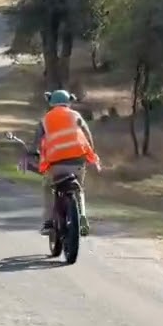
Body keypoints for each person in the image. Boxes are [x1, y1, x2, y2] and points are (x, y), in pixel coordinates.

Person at [31, 89, 100, 235]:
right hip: (78, 161)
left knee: (47, 187)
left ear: (51, 102)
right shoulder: (76, 116)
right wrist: (91, 153)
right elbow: (88, 135)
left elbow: (37, 142)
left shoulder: (45, 119)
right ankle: (82, 216)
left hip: (56, 164)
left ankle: (49, 222)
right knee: (79, 188)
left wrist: (34, 153)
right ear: (69, 101)